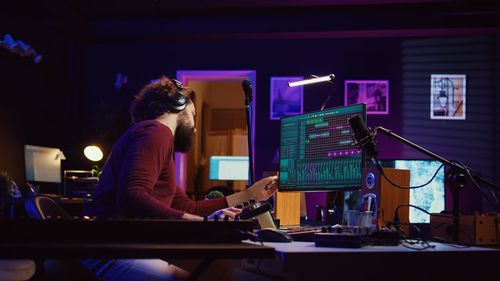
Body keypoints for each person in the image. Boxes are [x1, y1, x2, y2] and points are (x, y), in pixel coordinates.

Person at [81, 77, 278, 281]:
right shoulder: (157, 132)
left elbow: (188, 208)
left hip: (115, 246)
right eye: (193, 115)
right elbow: (131, 197)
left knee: (221, 269)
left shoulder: (151, 137)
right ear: (179, 104)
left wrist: (250, 195)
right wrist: (200, 223)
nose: (194, 128)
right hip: (111, 250)